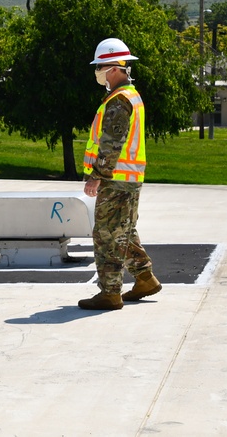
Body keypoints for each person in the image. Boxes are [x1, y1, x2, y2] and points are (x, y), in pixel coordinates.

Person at [79, 38, 162, 310]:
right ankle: (145, 279)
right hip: (126, 179)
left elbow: (112, 142)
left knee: (105, 234)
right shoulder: (129, 96)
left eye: (100, 66)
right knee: (122, 232)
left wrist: (97, 175)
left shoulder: (119, 100)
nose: (98, 72)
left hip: (116, 179)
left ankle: (111, 293)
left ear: (115, 67)